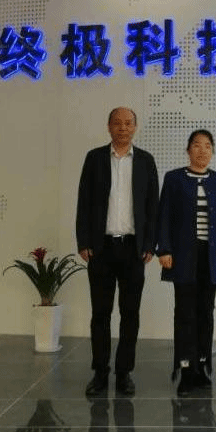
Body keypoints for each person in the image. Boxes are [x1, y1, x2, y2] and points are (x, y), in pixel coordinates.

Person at [76, 107, 159, 397]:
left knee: (130, 313)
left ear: (135, 127)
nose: (123, 128)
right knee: (100, 313)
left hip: (133, 249)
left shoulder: (146, 161)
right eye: (117, 123)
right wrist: (83, 241)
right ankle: (100, 372)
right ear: (109, 126)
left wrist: (150, 244)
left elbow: (152, 206)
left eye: (128, 123)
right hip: (101, 248)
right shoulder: (95, 158)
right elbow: (84, 201)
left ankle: (124, 373)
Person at [156, 130, 216, 396]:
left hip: (211, 257)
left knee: (206, 312)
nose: (202, 150)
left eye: (208, 146)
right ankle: (186, 369)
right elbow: (164, 215)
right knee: (185, 312)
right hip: (183, 256)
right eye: (197, 145)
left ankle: (202, 365)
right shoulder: (174, 178)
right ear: (188, 149)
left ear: (213, 151)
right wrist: (164, 249)